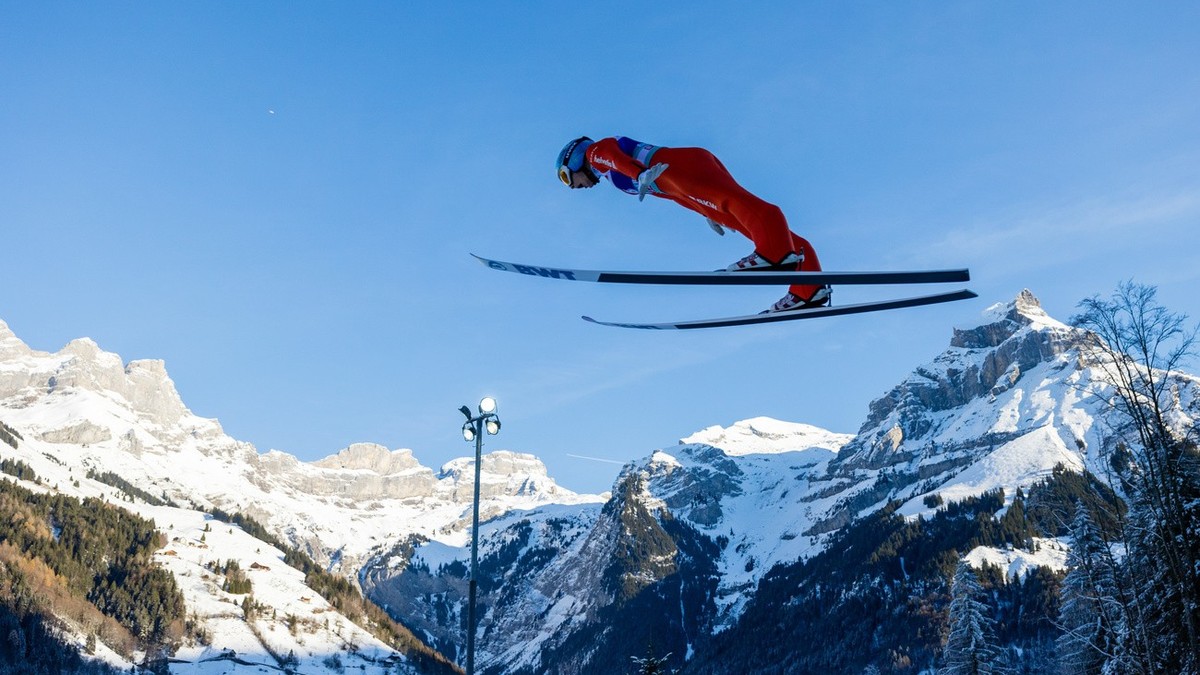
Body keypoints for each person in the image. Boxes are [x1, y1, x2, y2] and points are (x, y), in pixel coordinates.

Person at [555, 136, 830, 313]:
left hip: (676, 165)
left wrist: (639, 173)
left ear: (574, 160)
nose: (574, 187)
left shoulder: (595, 153)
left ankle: (774, 254)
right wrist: (704, 211)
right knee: (742, 218)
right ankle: (808, 289)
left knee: (735, 203)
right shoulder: (612, 175)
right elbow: (672, 193)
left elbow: (616, 158)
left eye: (567, 178)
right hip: (678, 175)